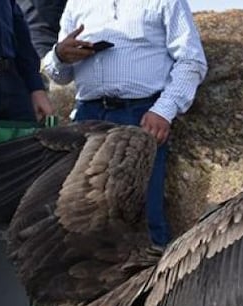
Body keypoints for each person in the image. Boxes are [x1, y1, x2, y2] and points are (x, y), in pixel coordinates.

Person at [43, 0, 207, 248]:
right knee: (83, 215)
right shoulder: (77, 4)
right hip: (88, 117)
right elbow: (60, 76)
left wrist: (163, 111)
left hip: (140, 116)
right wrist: (59, 56)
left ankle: (155, 284)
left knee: (143, 215)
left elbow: (191, 61)